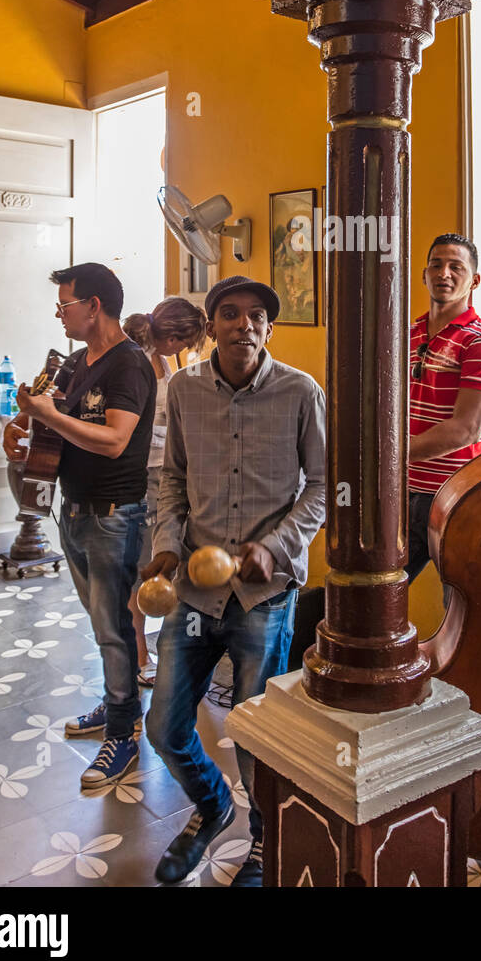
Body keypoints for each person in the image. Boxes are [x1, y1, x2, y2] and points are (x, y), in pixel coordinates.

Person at [142, 275, 325, 887]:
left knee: (255, 735)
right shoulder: (183, 390)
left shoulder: (301, 392)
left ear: (269, 328)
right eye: (229, 313)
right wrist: (167, 546)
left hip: (264, 595)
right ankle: (213, 804)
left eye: (255, 316)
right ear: (212, 325)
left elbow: (322, 486)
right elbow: (173, 478)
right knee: (165, 727)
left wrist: (276, 548)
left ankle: (264, 840)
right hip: (194, 590)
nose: (243, 324)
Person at [3, 263, 156, 788]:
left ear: (94, 306)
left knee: (115, 628)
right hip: (74, 509)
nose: (59, 314)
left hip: (114, 516)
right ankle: (116, 701)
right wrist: (20, 425)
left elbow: (113, 441)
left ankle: (124, 733)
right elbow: (46, 412)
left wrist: (44, 415)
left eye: (65, 304)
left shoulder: (129, 365)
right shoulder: (74, 361)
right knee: (102, 625)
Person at [407, 233, 481, 584]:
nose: (444, 273)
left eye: (455, 267)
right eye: (436, 265)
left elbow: (466, 429)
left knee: (463, 602)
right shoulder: (407, 334)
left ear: (474, 280)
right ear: (424, 275)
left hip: (458, 496)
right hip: (402, 491)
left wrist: (388, 456)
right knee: (376, 594)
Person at [124, 298, 208, 687]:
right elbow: (132, 427)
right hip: (142, 475)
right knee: (143, 567)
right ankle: (139, 656)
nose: (184, 351)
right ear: (173, 337)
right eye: (185, 343)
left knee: (165, 559)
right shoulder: (135, 360)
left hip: (165, 472)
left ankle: (161, 649)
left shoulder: (164, 359)